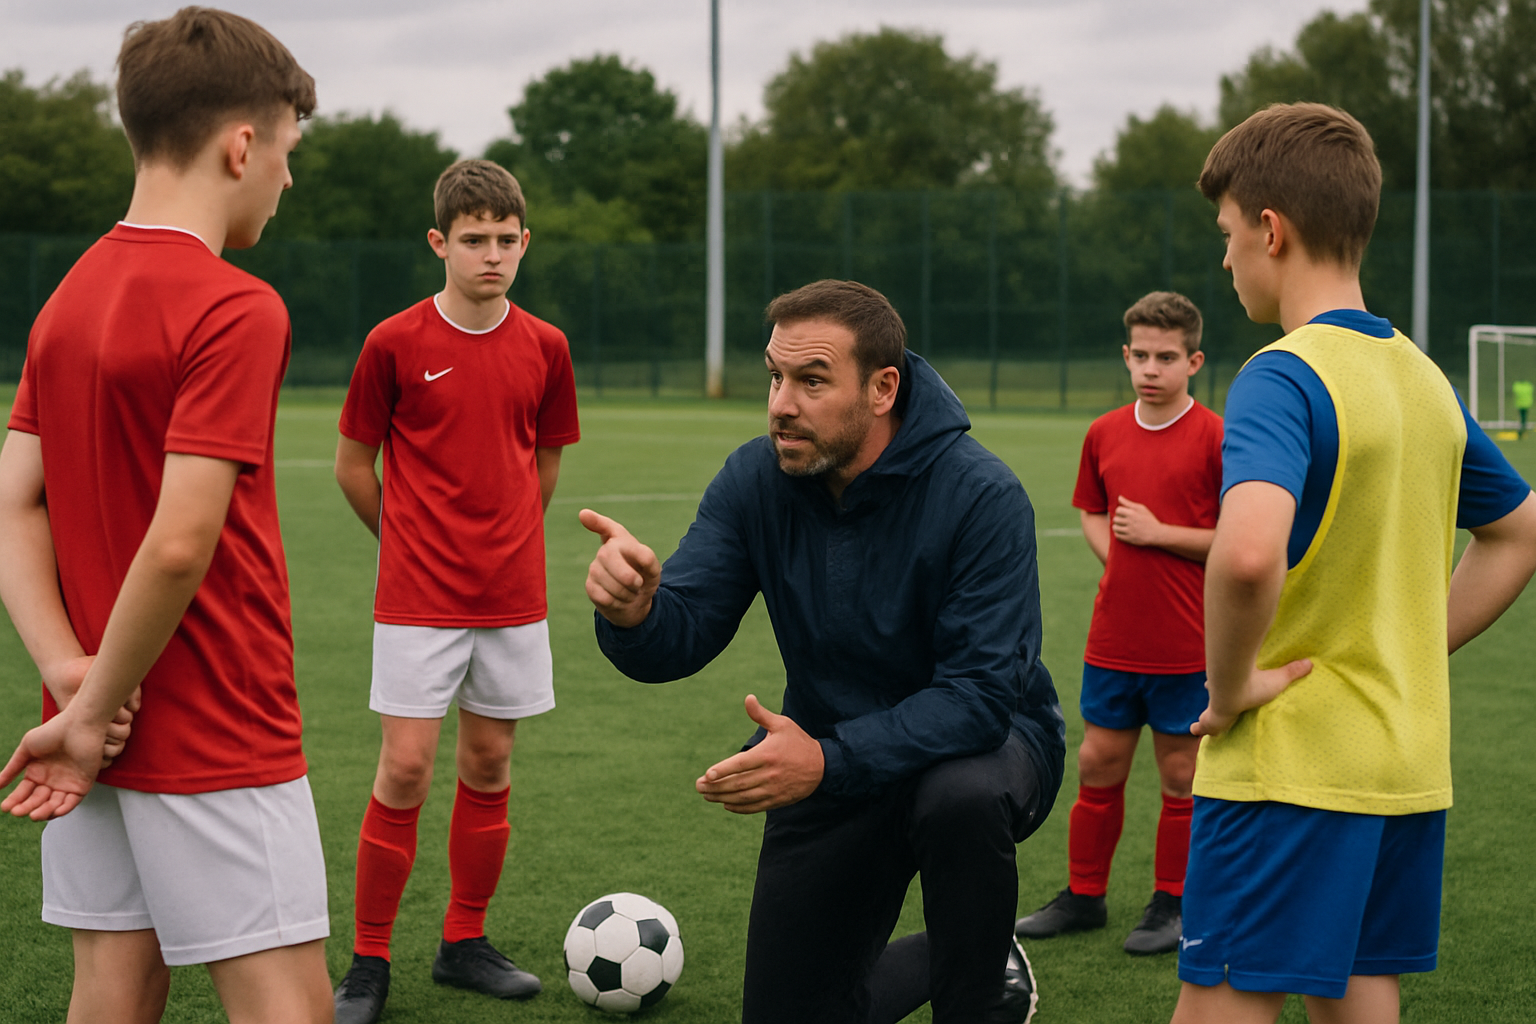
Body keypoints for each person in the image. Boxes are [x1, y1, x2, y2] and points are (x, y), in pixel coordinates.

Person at [582, 279, 1063, 1024]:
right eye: (775, 377)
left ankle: (978, 987)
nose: (781, 403)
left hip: (982, 750)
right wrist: (636, 612)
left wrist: (827, 760)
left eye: (811, 381)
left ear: (882, 388)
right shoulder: (755, 479)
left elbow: (977, 700)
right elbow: (685, 631)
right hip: (827, 752)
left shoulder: (981, 496)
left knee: (957, 800)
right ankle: (974, 944)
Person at [0, 9, 332, 1024]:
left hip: (95, 724)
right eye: (287, 153)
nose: (286, 180)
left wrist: (71, 676)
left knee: (113, 985)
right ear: (243, 144)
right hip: (215, 721)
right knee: (290, 1004)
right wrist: (97, 705)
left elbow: (15, 501)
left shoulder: (69, 296)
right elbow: (182, 541)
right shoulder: (236, 306)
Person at [1172, 102, 1536, 1024]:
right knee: (1359, 987)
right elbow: (1520, 531)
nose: (1224, 259)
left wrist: (1227, 688)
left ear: (1271, 229)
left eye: (1227, 235)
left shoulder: (1280, 374)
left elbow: (1248, 554)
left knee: (1225, 996)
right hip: (1403, 762)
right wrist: (1410, 647)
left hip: (1290, 763)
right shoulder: (1424, 379)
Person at [329, 158, 580, 1024]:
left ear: (524, 243)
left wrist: (505, 542)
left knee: (489, 762)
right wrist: (406, 544)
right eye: (474, 240)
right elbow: (353, 466)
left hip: (512, 596)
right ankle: (366, 962)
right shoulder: (392, 343)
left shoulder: (547, 346)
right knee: (403, 768)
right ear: (440, 243)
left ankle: (463, 943)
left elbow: (544, 464)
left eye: (507, 241)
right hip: (416, 598)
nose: (492, 256)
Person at [1016, 291, 1221, 956]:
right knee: (1098, 760)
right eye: (1141, 355)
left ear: (1194, 360)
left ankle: (1172, 904)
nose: (1151, 368)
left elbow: (1240, 539)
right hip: (1115, 637)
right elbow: (1093, 511)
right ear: (1125, 355)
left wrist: (1160, 536)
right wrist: (1122, 555)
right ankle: (1083, 896)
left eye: (1167, 357)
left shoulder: (1218, 436)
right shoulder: (1103, 432)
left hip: (1188, 642)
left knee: (1182, 774)